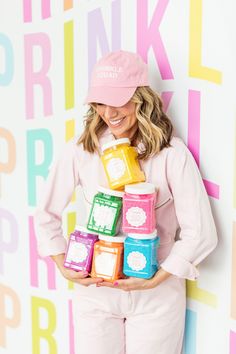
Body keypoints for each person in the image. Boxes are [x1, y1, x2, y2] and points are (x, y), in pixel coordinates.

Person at [34, 50, 218, 354]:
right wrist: (64, 265)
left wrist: (159, 277)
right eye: (101, 102)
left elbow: (200, 231)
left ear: (141, 98)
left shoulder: (172, 154)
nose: (109, 112)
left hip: (156, 293)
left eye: (118, 100)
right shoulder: (83, 150)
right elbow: (45, 214)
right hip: (96, 291)